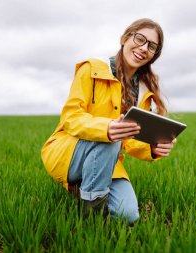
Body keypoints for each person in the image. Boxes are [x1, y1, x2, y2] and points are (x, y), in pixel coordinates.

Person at [41, 18, 176, 225]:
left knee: (128, 215)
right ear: (125, 38)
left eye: (152, 47)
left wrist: (154, 148)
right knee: (109, 139)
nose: (143, 48)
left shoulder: (142, 92)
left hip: (107, 161)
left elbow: (130, 140)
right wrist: (107, 129)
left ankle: (85, 187)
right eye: (140, 39)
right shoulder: (92, 69)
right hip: (67, 152)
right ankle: (91, 221)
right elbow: (71, 118)